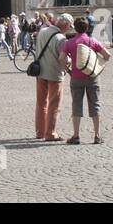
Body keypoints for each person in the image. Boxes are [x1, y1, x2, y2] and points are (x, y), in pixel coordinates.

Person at [64, 17, 112, 145]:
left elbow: (61, 58)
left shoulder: (70, 42)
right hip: (92, 77)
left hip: (76, 77)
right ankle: (96, 136)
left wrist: (68, 70)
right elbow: (107, 55)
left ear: (75, 27)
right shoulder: (92, 41)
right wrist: (97, 65)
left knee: (76, 105)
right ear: (87, 28)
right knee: (95, 105)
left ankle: (76, 136)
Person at [32, 14, 72, 142]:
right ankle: (50, 133)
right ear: (65, 25)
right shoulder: (61, 39)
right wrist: (70, 62)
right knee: (54, 104)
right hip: (55, 74)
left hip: (40, 72)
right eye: (69, 27)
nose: (69, 29)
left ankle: (40, 131)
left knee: (41, 103)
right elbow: (63, 58)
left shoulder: (42, 32)